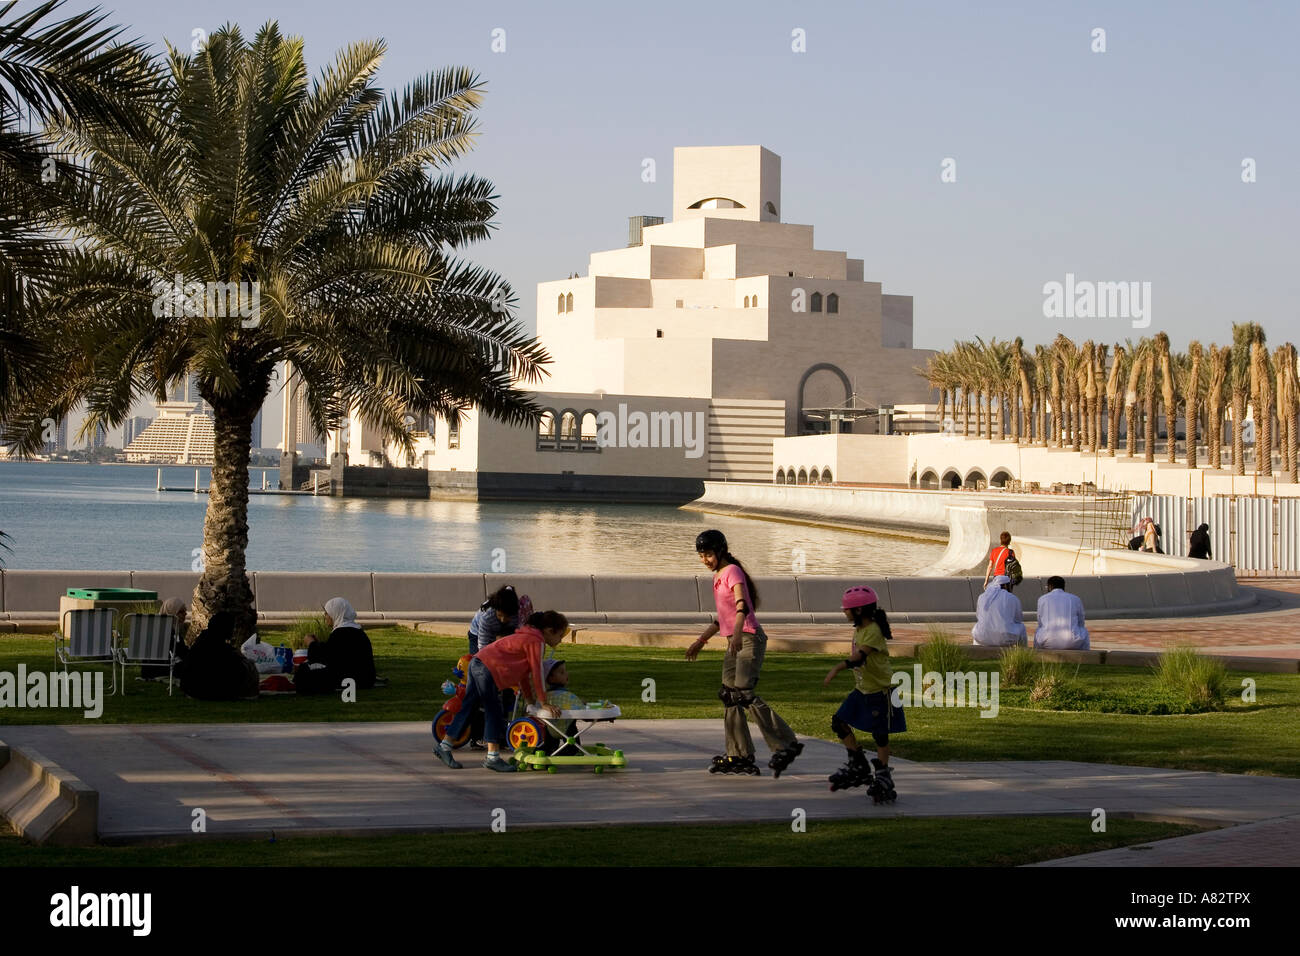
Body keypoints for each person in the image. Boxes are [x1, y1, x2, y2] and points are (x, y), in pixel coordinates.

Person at [684, 529, 802, 777]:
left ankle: (786, 744)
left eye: (707, 555)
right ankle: (739, 755)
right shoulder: (718, 576)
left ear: (720, 551)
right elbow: (721, 619)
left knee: (744, 694)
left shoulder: (733, 572)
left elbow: (742, 606)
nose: (704, 560)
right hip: (734, 640)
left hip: (748, 638)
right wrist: (700, 641)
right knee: (729, 695)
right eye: (701, 556)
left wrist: (737, 633)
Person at [434, 610, 567, 772]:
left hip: (478, 662)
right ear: (548, 630)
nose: (560, 640)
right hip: (487, 668)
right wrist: (544, 702)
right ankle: (493, 757)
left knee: (469, 707)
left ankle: (445, 746)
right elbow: (537, 672)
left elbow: (524, 674)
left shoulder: (529, 638)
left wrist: (531, 701)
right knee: (494, 711)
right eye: (560, 635)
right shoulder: (536, 641)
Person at [822, 586, 903, 803]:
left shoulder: (873, 630)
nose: (844, 612)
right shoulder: (859, 628)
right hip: (862, 690)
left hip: (880, 691)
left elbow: (859, 657)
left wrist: (837, 668)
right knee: (838, 722)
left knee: (880, 734)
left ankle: (884, 775)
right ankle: (858, 763)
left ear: (858, 610)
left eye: (846, 609)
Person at [295, 597, 377, 695]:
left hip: (351, 680)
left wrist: (311, 643)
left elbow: (323, 657)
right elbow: (335, 652)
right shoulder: (358, 631)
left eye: (327, 613)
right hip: (365, 679)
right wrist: (317, 644)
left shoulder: (341, 633)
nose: (325, 616)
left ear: (335, 613)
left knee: (304, 672)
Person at [179, 610, 259, 701]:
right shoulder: (221, 650)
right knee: (248, 665)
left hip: (192, 691)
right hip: (210, 692)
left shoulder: (201, 642)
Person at [140, 597, 189, 682]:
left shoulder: (157, 626)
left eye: (185, 611)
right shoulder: (168, 630)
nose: (185, 614)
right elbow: (181, 651)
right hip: (161, 669)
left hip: (149, 669)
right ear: (171, 613)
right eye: (181, 612)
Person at [1033, 576, 1089, 650]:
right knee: (1083, 630)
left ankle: (1037, 655)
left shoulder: (1042, 599)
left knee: (1038, 630)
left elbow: (1040, 622)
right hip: (1073, 642)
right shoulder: (1075, 599)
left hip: (1047, 641)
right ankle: (1086, 655)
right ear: (1063, 586)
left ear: (1049, 587)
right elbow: (1081, 622)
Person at [971, 575, 1027, 646]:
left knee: (978, 628)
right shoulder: (1013, 598)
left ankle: (977, 652)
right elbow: (1018, 619)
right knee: (1022, 627)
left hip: (982, 638)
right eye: (1010, 585)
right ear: (1005, 586)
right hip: (1004, 639)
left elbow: (978, 616)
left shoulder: (982, 597)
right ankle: (1022, 653)